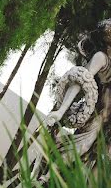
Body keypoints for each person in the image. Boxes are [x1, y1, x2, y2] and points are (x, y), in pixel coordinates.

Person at [35, 18, 111, 175]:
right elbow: (80, 80)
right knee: (83, 146)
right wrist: (61, 110)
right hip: (101, 112)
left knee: (93, 160)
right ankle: (48, 176)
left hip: (108, 122)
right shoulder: (102, 58)